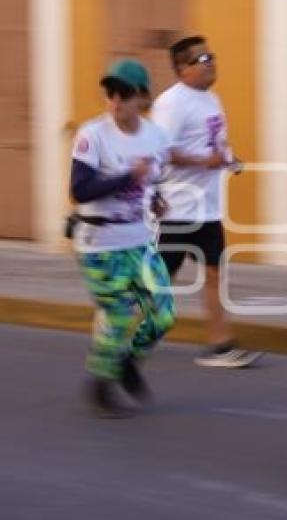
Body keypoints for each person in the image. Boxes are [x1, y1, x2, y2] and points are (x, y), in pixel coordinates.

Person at [70, 59, 175, 418]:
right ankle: (101, 385)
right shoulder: (92, 135)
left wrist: (157, 198)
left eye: (125, 94)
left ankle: (128, 361)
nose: (116, 100)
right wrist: (128, 177)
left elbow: (155, 176)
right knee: (117, 315)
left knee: (163, 315)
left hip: (139, 241)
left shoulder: (156, 136)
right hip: (99, 245)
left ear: (141, 98)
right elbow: (79, 189)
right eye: (111, 93)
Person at [151, 36, 261, 368]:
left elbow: (215, 143)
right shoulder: (171, 103)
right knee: (162, 279)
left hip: (209, 207)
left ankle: (220, 344)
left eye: (211, 56)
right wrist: (204, 162)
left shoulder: (212, 99)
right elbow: (162, 150)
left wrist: (229, 159)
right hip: (180, 208)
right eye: (202, 60)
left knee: (214, 273)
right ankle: (121, 326)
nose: (211, 63)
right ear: (182, 68)